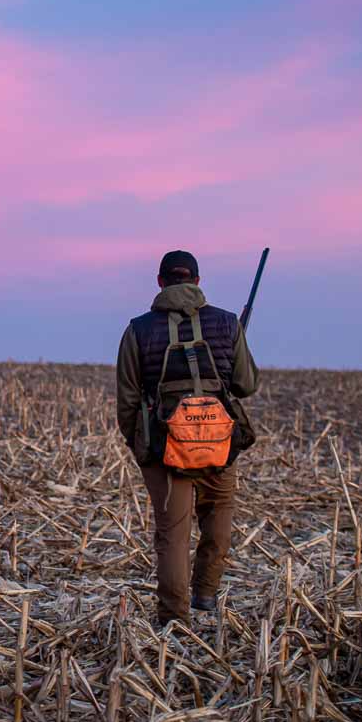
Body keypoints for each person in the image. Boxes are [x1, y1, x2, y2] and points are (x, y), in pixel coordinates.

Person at [116, 251, 259, 626]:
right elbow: (246, 385)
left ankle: (173, 621)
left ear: (160, 282)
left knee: (173, 536)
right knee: (218, 516)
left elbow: (128, 399)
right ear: (197, 282)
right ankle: (206, 592)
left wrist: (142, 448)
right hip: (219, 445)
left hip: (164, 449)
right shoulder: (228, 324)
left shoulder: (138, 329)